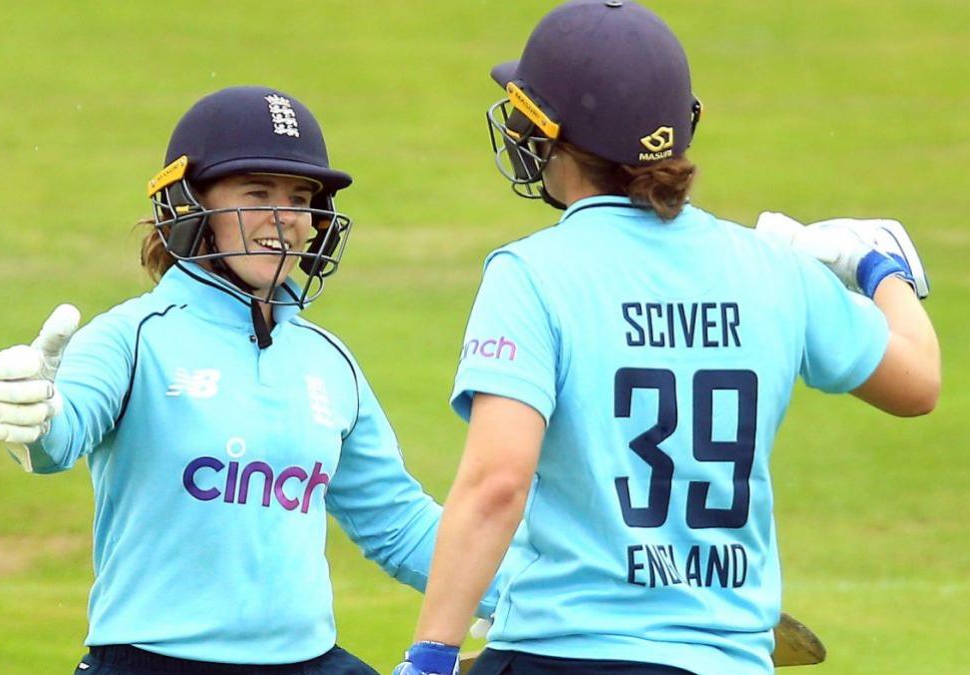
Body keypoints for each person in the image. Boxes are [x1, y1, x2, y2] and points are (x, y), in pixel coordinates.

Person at [394, 2, 940, 674]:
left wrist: (431, 654)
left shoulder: (531, 274)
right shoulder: (776, 270)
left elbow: (497, 483)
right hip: (728, 658)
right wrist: (876, 268)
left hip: (564, 653)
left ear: (549, 135)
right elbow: (918, 382)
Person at [0, 86, 497, 675]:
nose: (284, 217)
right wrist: (36, 418)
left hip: (307, 661)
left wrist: (520, 590)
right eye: (256, 193)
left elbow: (396, 522)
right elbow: (60, 437)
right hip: (153, 662)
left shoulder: (329, 361)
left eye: (300, 198)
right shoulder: (133, 336)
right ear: (189, 204)